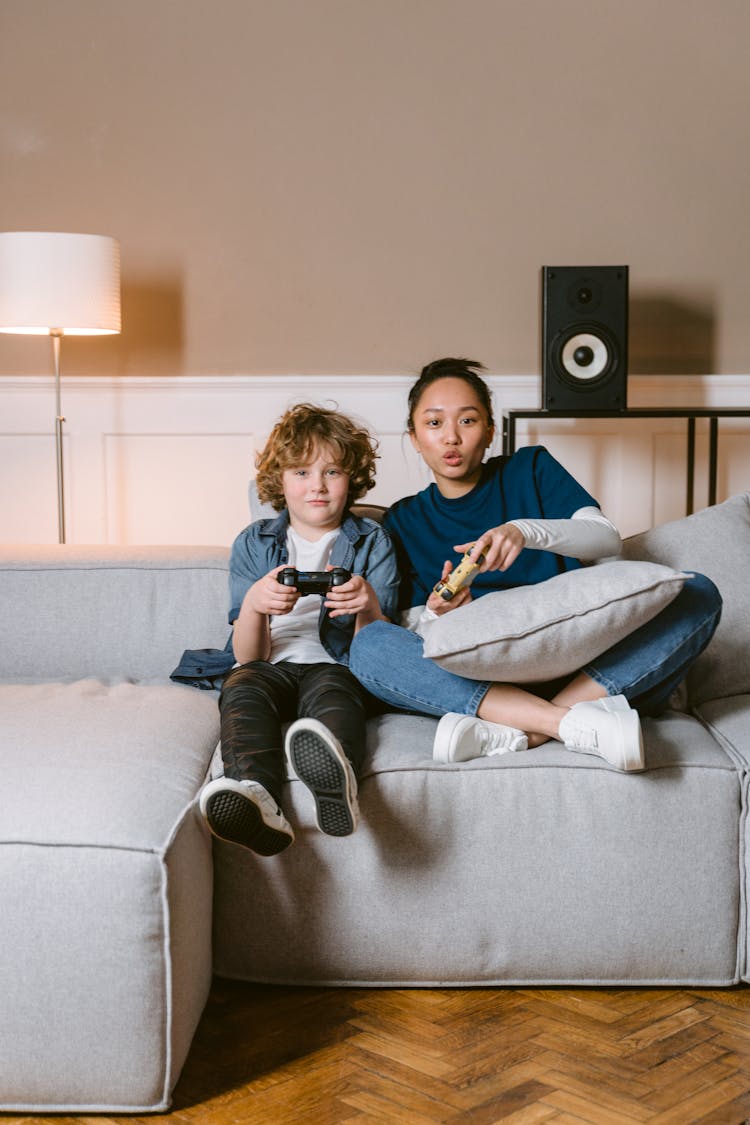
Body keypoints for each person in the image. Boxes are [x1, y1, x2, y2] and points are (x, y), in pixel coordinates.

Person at [349, 357, 722, 771]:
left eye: (468, 421)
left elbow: (605, 538)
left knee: (697, 592)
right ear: (415, 438)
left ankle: (521, 731)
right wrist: (440, 613)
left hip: (586, 670)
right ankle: (565, 723)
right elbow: (415, 631)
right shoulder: (404, 519)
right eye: (434, 424)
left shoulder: (530, 468)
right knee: (370, 645)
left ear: (490, 430)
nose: (451, 437)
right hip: (484, 682)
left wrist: (525, 532)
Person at [199, 403, 399, 856]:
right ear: (279, 481)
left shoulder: (374, 540)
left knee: (335, 697)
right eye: (302, 472)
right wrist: (254, 605)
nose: (318, 486)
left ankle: (338, 781)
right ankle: (256, 795)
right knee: (242, 688)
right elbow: (249, 657)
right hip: (270, 663)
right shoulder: (254, 541)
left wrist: (367, 604)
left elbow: (381, 647)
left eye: (332, 472)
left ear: (352, 479)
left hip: (338, 663)